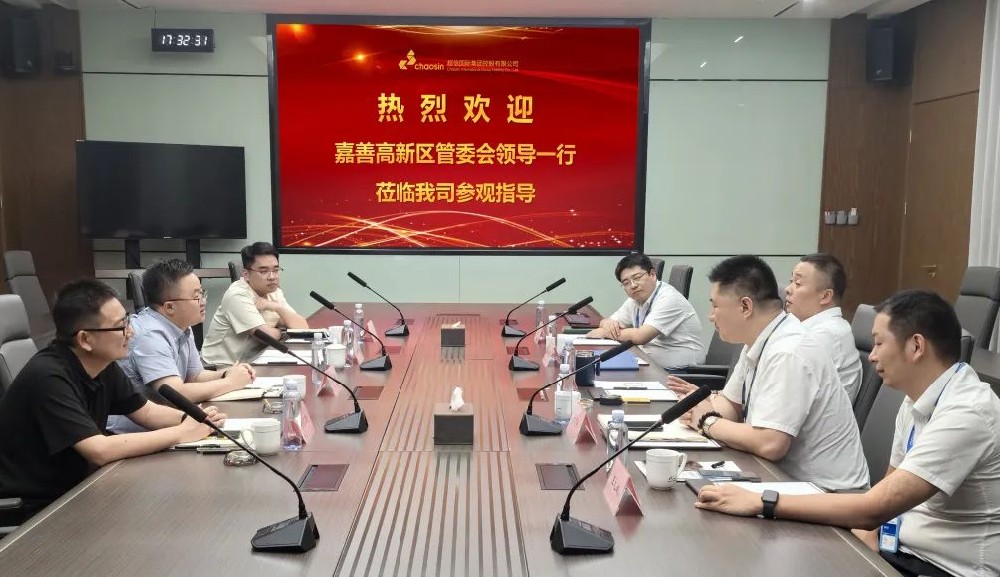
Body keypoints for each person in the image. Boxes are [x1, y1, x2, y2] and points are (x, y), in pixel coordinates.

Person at [694, 290, 1000, 577]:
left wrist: (763, 501)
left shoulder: (967, 412)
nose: (872, 356)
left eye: (879, 343)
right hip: (900, 550)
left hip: (944, 567)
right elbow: (888, 490)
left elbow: (876, 506)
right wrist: (870, 530)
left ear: (916, 346)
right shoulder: (917, 400)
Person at [0, 280, 224, 521]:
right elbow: (99, 450)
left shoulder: (102, 364)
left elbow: (146, 412)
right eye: (120, 327)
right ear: (85, 339)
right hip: (35, 509)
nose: (130, 332)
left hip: (79, 489)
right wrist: (181, 432)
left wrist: (195, 419)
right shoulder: (48, 377)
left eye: (127, 322)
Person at [669, 255, 869, 491]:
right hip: (778, 477)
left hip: (826, 493)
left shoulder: (790, 351)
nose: (711, 316)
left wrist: (707, 420)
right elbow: (731, 405)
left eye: (715, 306)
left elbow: (771, 443)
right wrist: (696, 411)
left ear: (746, 307)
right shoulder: (759, 340)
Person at [109, 259, 255, 433]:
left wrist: (227, 373)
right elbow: (176, 393)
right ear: (170, 307)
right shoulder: (150, 335)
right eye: (196, 296)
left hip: (171, 422)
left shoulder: (180, 324)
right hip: (134, 433)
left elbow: (194, 376)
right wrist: (231, 382)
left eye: (202, 293)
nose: (203, 301)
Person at [587, 253, 705, 368]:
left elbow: (641, 336)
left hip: (682, 371)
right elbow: (609, 321)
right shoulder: (635, 299)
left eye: (637, 278)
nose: (633, 285)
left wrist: (605, 332)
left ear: (652, 274)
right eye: (626, 283)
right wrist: (607, 324)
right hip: (650, 362)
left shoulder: (669, 298)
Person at [202, 242, 308, 367]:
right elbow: (266, 336)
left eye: (276, 270)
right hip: (221, 367)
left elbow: (302, 327)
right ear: (246, 274)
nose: (272, 277)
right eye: (264, 271)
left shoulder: (273, 291)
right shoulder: (237, 295)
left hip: (254, 361)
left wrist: (275, 306)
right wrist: (283, 332)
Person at [784, 253, 862, 402]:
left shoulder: (826, 336)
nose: (787, 289)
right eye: (791, 281)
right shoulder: (813, 329)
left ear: (825, 296)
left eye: (798, 283)